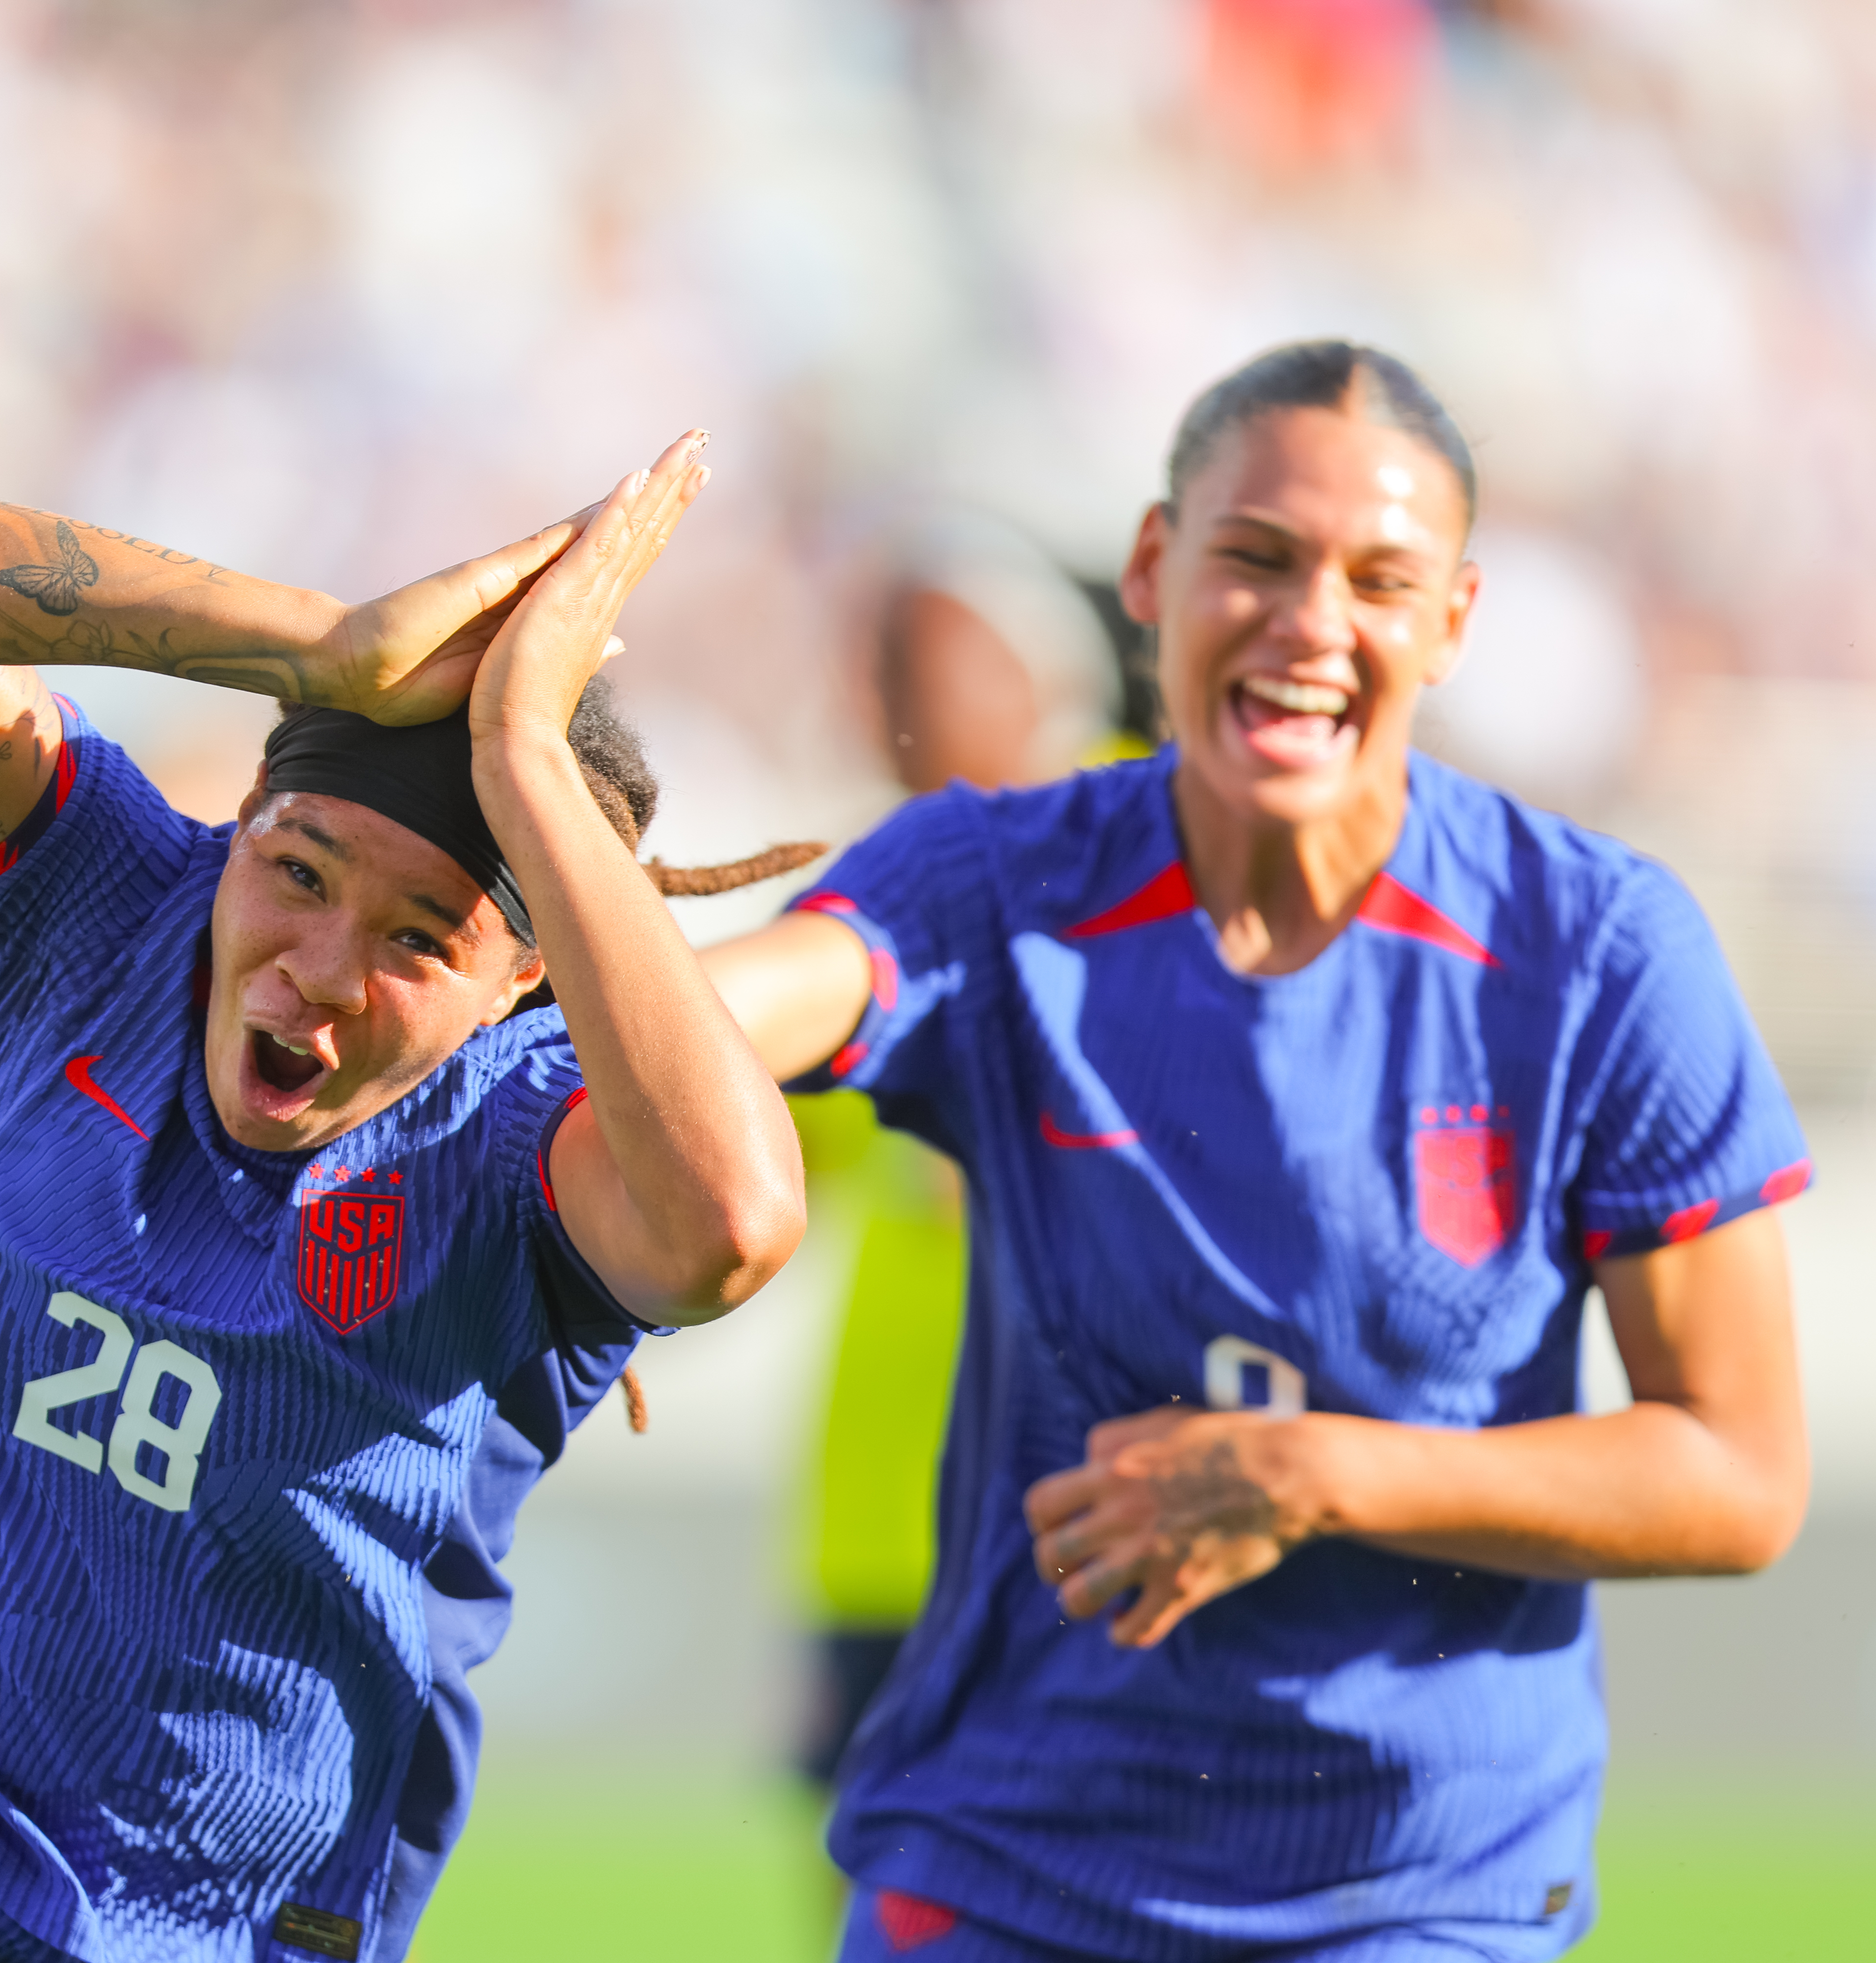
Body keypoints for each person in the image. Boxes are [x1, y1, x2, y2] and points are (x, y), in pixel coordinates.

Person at [0, 432, 808, 1963]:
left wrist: (528, 760)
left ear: (519, 982)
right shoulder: (96, 905)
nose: (324, 971)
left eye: (423, 941)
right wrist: (321, 644)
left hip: (207, 1914)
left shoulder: (526, 1156)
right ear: (241, 830)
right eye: (299, 873)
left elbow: (733, 1226)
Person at [703, 342, 1812, 1961]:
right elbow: (724, 1021)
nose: (1312, 623)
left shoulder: (1601, 953)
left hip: (1419, 1892)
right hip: (1008, 1864)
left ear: (1454, 621)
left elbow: (1737, 1471)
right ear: (1156, 570)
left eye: (1381, 578)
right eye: (1257, 557)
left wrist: (1317, 1476)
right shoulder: (1002, 881)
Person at [791, 516, 1139, 1798]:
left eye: (919, 654)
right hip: (887, 1514)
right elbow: (775, 1150)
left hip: (1096, 1515)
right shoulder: (885, 880)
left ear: (1031, 667)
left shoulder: (1146, 844)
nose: (885, 694)